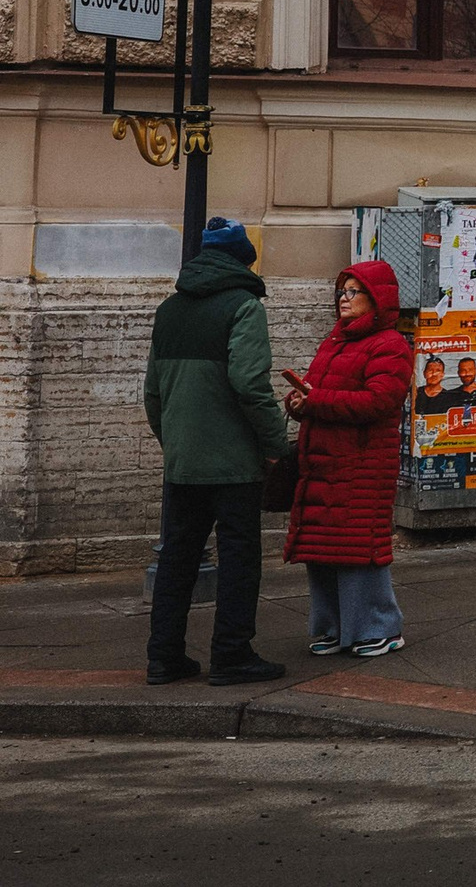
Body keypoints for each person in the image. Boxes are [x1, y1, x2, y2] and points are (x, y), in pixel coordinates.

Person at [142, 216, 292, 685]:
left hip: (183, 462)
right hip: (233, 463)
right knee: (239, 558)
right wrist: (276, 445)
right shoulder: (244, 306)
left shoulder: (169, 311)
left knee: (176, 559)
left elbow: (152, 394)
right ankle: (231, 654)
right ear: (243, 261)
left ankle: (164, 657)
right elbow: (250, 383)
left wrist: (177, 445)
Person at [285, 260, 412, 658]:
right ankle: (331, 629)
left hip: (362, 464)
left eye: (354, 292)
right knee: (322, 549)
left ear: (375, 299)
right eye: (342, 291)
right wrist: (299, 403)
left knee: (359, 550)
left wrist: (316, 400)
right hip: (324, 461)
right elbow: (320, 393)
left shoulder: (390, 345)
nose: (344, 298)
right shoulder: (336, 340)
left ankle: (377, 628)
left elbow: (380, 401)